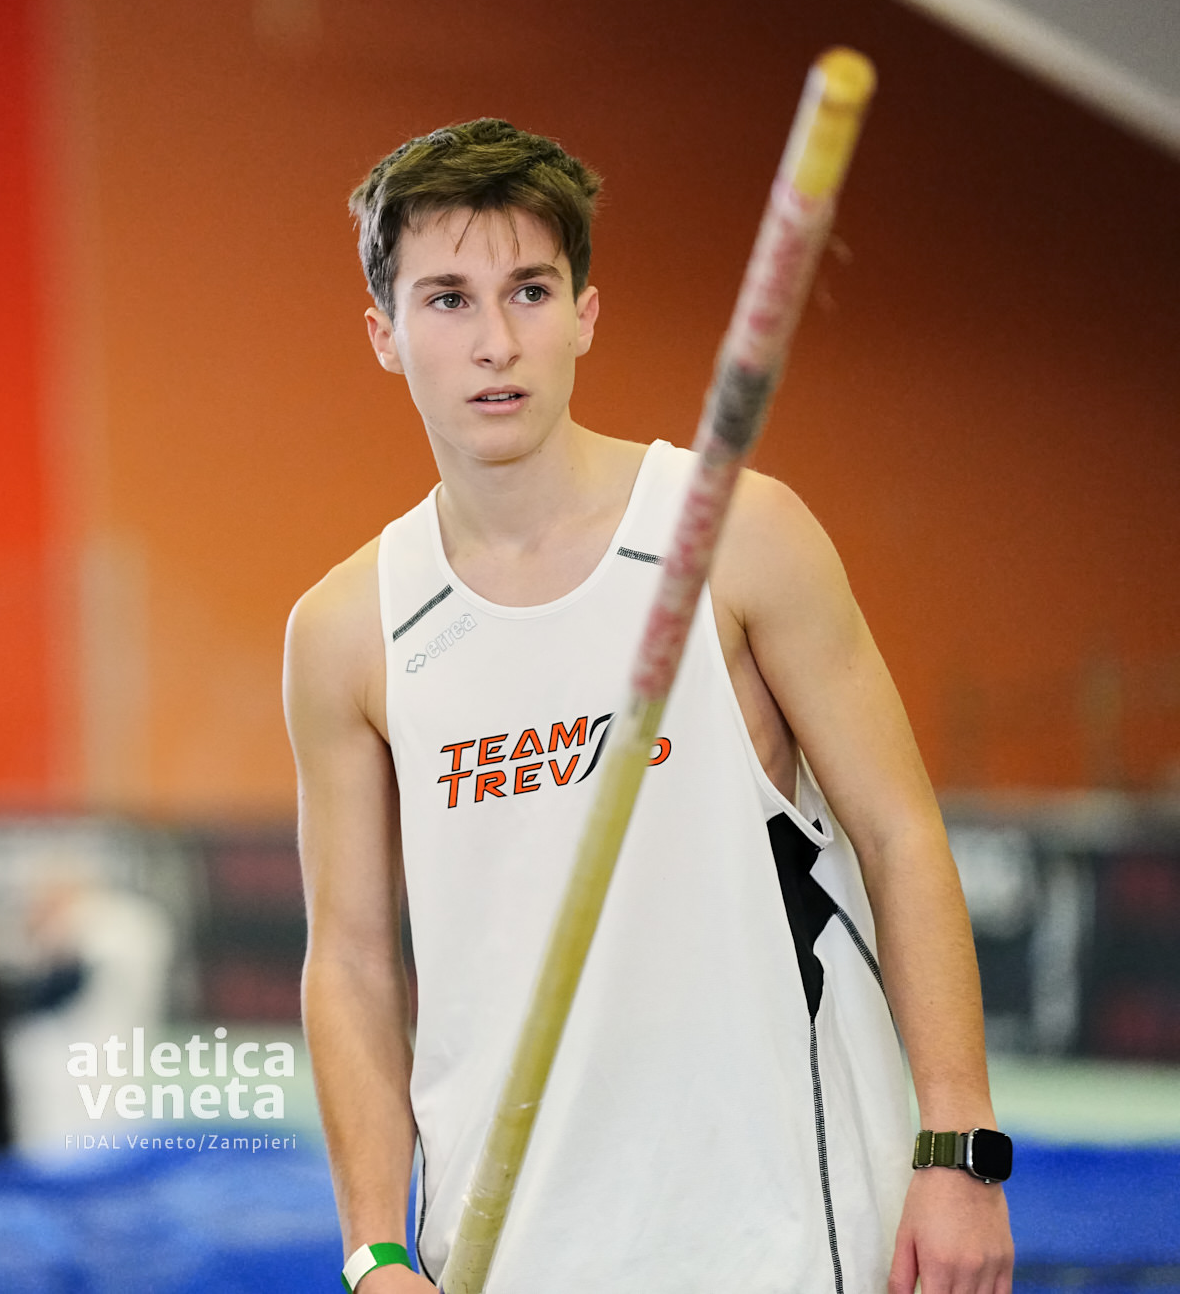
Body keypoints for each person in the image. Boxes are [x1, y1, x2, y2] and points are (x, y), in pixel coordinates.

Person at [285, 122, 1015, 1294]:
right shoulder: (347, 631)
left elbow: (898, 835)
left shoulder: (735, 531)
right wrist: (374, 1249)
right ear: (383, 333)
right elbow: (354, 964)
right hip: (513, 1253)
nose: (494, 341)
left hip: (789, 1225)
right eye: (447, 299)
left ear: (583, 314)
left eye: (528, 290)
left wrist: (958, 1148)